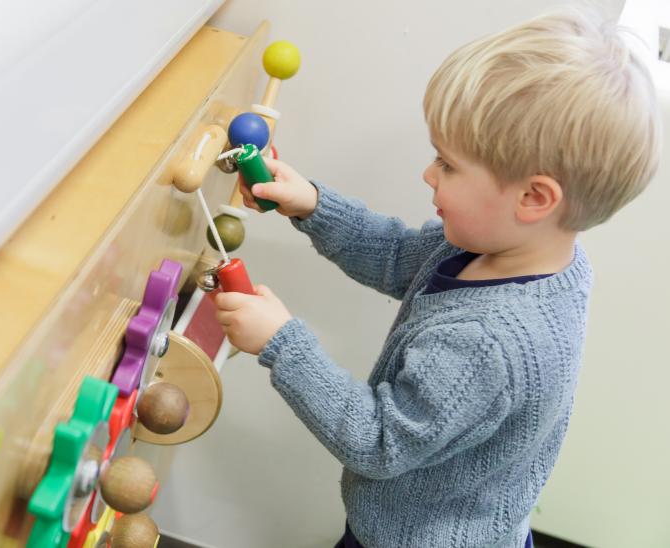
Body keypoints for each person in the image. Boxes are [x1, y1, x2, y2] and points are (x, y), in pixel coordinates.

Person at [213, 7, 660, 548]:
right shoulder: (529, 253)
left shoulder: (485, 343)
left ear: (534, 198)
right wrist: (313, 206)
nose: (429, 173)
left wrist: (281, 342)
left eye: (447, 165)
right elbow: (400, 256)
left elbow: (377, 441)